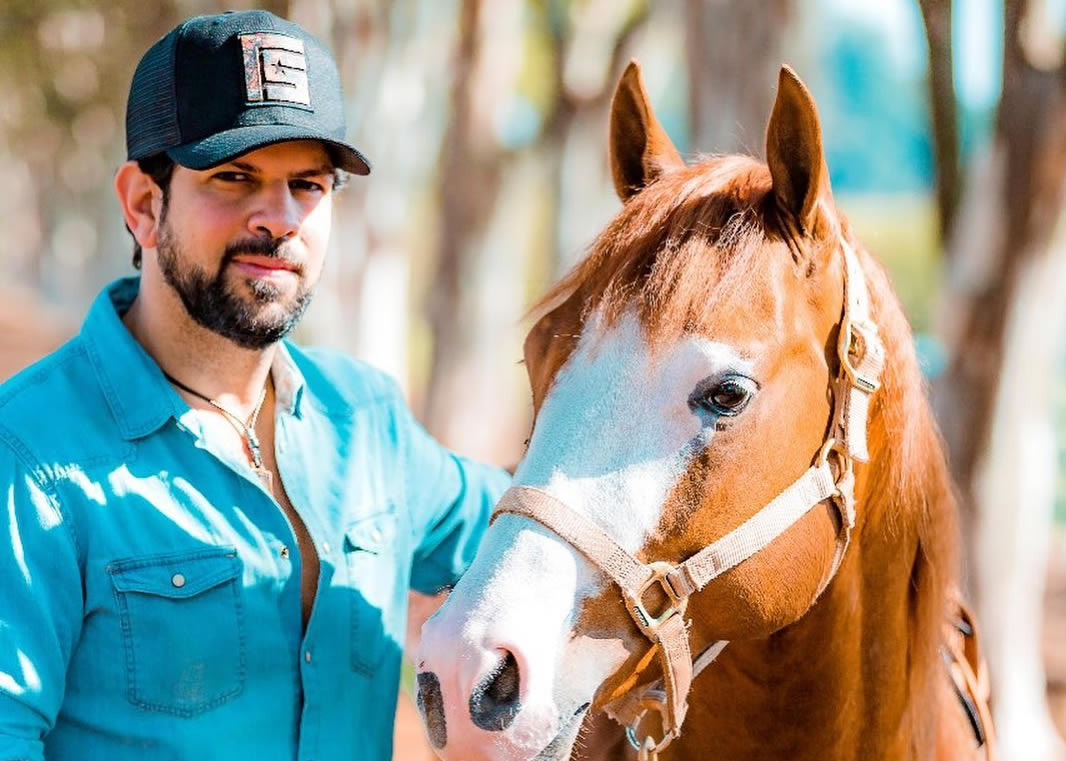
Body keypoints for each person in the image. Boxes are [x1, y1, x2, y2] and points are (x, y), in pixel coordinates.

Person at [0, 10, 510, 761]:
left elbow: (530, 537)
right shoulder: (31, 455)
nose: (278, 218)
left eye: (307, 184)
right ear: (144, 204)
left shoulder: (367, 421)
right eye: (234, 178)